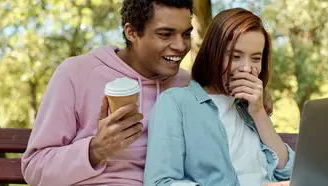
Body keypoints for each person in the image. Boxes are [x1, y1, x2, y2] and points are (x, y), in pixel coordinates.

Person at [20, 0, 194, 185]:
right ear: (132, 32)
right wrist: (95, 150)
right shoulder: (77, 73)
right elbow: (34, 167)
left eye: (186, 34)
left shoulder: (188, 85)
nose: (181, 46)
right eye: (166, 34)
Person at [144, 8, 294, 186]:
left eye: (255, 58)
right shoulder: (175, 103)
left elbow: (288, 171)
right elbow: (160, 182)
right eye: (235, 56)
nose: (246, 68)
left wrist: (259, 113)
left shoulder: (252, 107)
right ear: (213, 54)